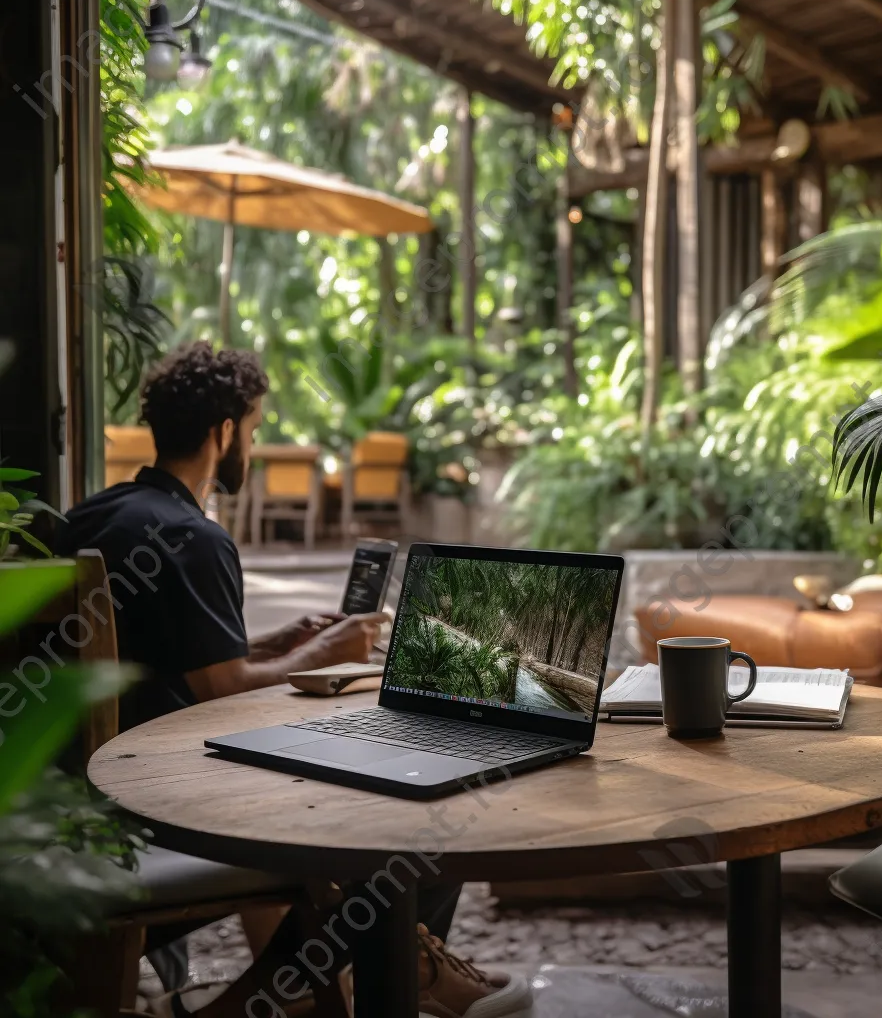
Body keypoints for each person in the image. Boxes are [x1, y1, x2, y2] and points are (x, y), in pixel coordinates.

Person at [59, 342, 530, 1018]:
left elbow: (175, 662)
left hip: (74, 801)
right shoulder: (195, 538)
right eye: (253, 430)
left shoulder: (98, 515)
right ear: (224, 433)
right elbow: (226, 691)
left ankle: (329, 989)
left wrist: (278, 642)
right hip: (153, 816)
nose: (251, 445)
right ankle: (347, 986)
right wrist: (329, 650)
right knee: (409, 831)